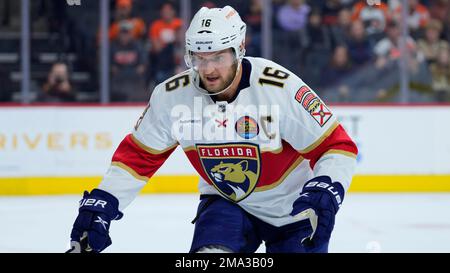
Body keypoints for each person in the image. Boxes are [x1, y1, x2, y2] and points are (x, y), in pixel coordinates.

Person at [67, 6, 358, 253]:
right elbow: (138, 157)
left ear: (240, 50)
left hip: (292, 207)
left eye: (218, 57)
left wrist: (327, 188)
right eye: (199, 58)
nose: (208, 69)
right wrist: (104, 201)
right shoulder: (172, 96)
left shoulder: (279, 88)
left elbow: (337, 147)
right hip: (226, 202)